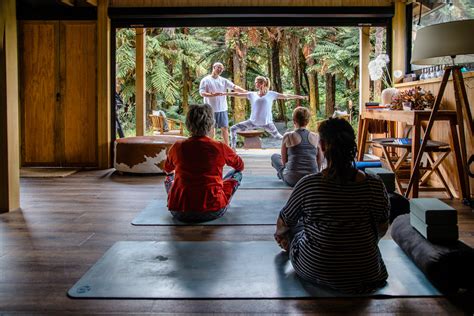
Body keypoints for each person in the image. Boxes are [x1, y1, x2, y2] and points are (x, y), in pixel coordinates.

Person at [274, 118, 390, 294]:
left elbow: (283, 223)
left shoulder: (309, 184)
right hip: (367, 272)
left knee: (294, 228)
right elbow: (381, 227)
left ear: (321, 145)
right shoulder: (374, 184)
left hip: (316, 268)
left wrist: (282, 237)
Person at [163, 103, 244, 223]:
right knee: (237, 174)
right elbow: (240, 166)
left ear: (188, 124)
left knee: (170, 177)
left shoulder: (177, 146)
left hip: (179, 210)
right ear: (211, 124)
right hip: (213, 209)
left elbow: (167, 169)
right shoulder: (219, 147)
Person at [227, 76, 307, 149]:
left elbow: (286, 96)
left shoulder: (271, 94)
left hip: (267, 123)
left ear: (263, 83)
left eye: (256, 82)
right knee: (233, 129)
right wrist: (224, 94)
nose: (255, 84)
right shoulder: (252, 94)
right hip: (252, 122)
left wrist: (299, 97)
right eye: (255, 82)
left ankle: (296, 146)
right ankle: (233, 148)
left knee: (280, 137)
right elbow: (237, 94)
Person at [271, 107, 322, 187]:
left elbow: (284, 162)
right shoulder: (316, 136)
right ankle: (281, 174)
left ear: (294, 121)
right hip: (312, 180)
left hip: (292, 180)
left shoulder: (288, 136)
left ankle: (281, 175)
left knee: (275, 157)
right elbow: (320, 160)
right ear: (307, 121)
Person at [199, 62, 246, 146]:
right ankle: (210, 147)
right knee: (211, 129)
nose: (220, 69)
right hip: (210, 109)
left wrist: (245, 92)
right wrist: (212, 95)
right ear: (214, 67)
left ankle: (227, 147)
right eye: (218, 67)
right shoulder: (205, 80)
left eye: (222, 68)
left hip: (222, 109)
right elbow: (202, 93)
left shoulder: (223, 80)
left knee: (224, 128)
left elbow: (234, 87)